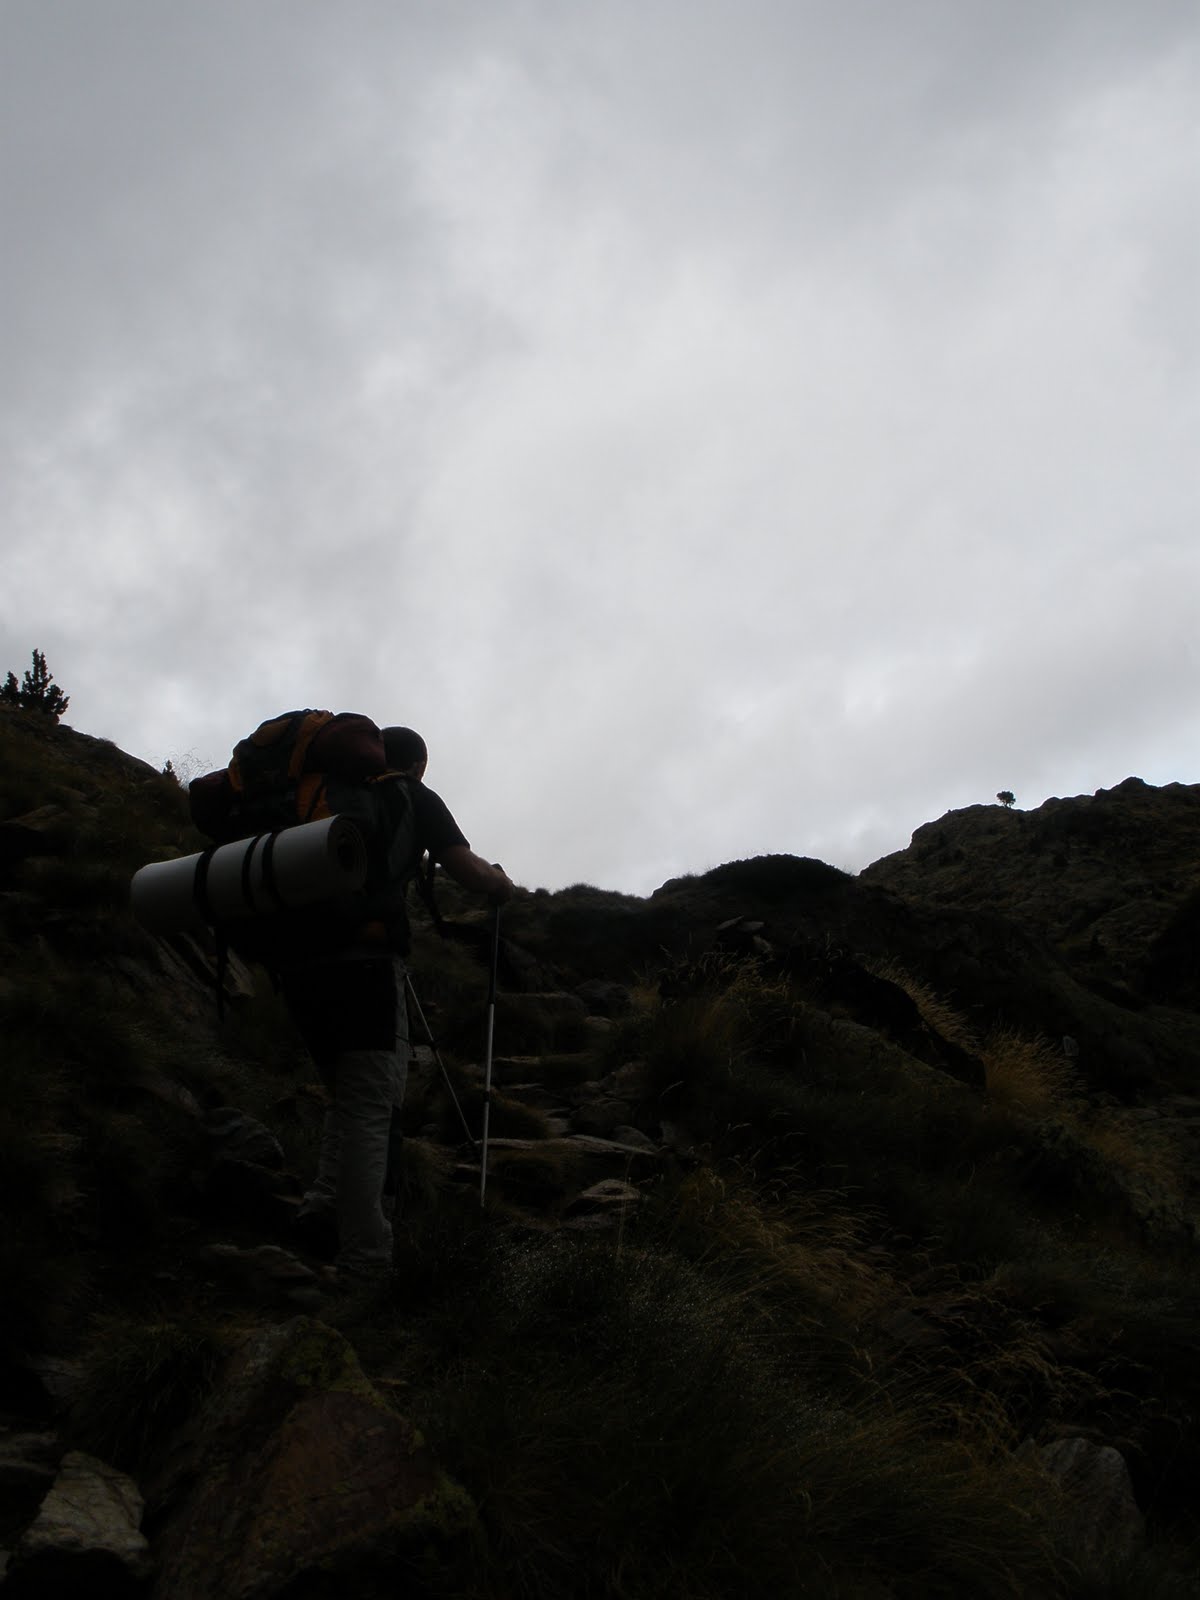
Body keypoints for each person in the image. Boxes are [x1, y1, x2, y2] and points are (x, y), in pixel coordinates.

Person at [283, 725, 514, 1279]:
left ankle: (321, 1207)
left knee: (345, 1092)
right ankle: (366, 1257)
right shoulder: (411, 795)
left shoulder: (321, 796)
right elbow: (467, 869)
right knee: (370, 1104)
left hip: (296, 965)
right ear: (416, 765)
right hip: (365, 962)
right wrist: (501, 886)